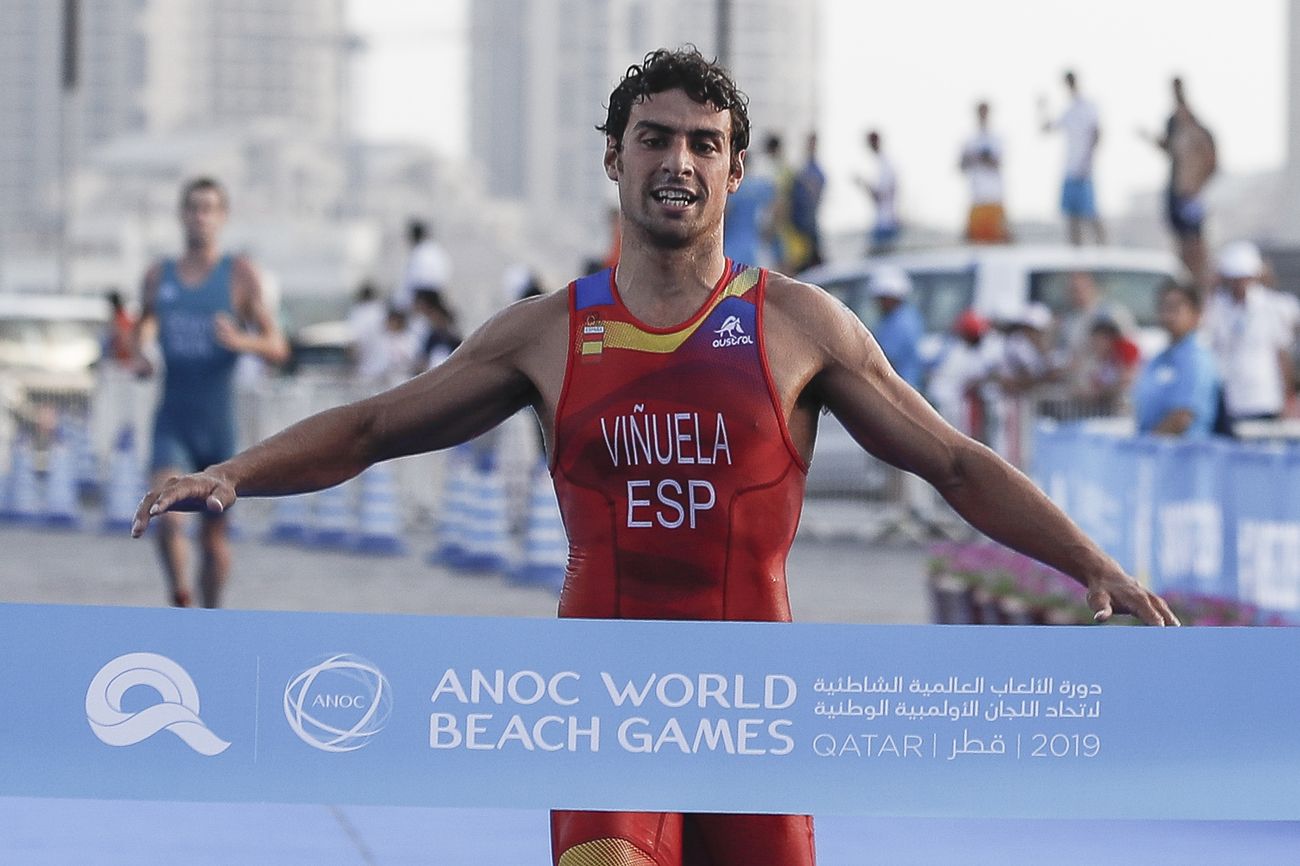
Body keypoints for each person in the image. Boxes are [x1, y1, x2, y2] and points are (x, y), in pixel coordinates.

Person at [133, 49, 1178, 866]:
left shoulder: (799, 325)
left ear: (732, 169)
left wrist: (1092, 561)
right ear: (614, 158)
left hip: (758, 714)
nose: (677, 161)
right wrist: (237, 471)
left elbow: (952, 463)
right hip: (598, 705)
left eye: (702, 142)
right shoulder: (545, 331)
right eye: (654, 138)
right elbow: (372, 426)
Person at [130, 177, 288, 608]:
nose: (200, 217)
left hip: (219, 427)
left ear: (222, 217)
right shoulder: (157, 276)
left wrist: (243, 342)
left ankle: (210, 619)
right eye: (194, 208)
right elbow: (142, 326)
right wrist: (142, 353)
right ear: (182, 215)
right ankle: (181, 600)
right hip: (173, 422)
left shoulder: (238, 275)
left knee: (214, 538)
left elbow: (278, 346)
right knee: (165, 514)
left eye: (209, 209)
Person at [1202, 240, 1293, 432]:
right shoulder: (1217, 307)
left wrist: (1288, 396)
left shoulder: (1271, 306)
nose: (1240, 284)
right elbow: (1205, 338)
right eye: (1234, 278)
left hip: (1264, 397)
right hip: (1228, 397)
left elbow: (1281, 353)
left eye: (1244, 278)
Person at [1142, 77, 1216, 290]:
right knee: (1182, 244)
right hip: (1178, 193)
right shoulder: (1175, 125)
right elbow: (1169, 149)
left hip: (1190, 194)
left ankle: (1198, 287)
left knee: (1195, 245)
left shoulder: (1196, 129)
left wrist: (1196, 185)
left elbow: (1211, 161)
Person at [1133, 280, 1220, 436]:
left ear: (1196, 314)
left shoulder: (1196, 360)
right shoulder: (1158, 359)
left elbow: (1182, 417)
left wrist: (1147, 447)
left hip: (1184, 455)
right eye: (1164, 308)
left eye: (1175, 309)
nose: (1168, 315)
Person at [1040, 70, 1104, 245]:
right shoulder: (1068, 110)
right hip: (1069, 169)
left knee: (1091, 215)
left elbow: (1097, 134)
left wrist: (1087, 162)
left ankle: (1105, 251)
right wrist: (1042, 109)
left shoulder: (1089, 106)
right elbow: (1046, 129)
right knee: (1072, 218)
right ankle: (1077, 257)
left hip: (1084, 170)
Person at [959, 102, 1010, 244]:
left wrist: (979, 156)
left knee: (998, 242)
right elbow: (961, 166)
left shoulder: (997, 138)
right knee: (974, 242)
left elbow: (998, 162)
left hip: (994, 197)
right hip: (976, 198)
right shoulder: (969, 140)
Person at [868, 265, 924, 390]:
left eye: (882, 299)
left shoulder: (899, 323)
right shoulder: (907, 316)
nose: (878, 303)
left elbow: (885, 359)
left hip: (901, 388)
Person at [855, 129, 900, 254]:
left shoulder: (885, 165)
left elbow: (880, 196)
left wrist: (863, 184)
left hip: (885, 223)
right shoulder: (883, 164)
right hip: (885, 221)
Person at [394, 218, 451, 313]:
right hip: (435, 297)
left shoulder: (419, 253)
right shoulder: (435, 250)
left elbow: (412, 282)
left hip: (423, 296)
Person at [789, 132, 826, 270]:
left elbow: (816, 193)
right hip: (799, 223)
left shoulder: (816, 170)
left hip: (809, 223)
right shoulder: (802, 168)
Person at [346, 281, 389, 386]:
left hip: (365, 371)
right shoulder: (381, 310)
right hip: (384, 367)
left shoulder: (358, 313)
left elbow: (354, 343)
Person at [104, 289, 135, 366]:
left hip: (124, 359)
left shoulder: (121, 318)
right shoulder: (118, 317)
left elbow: (125, 338)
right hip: (118, 357)